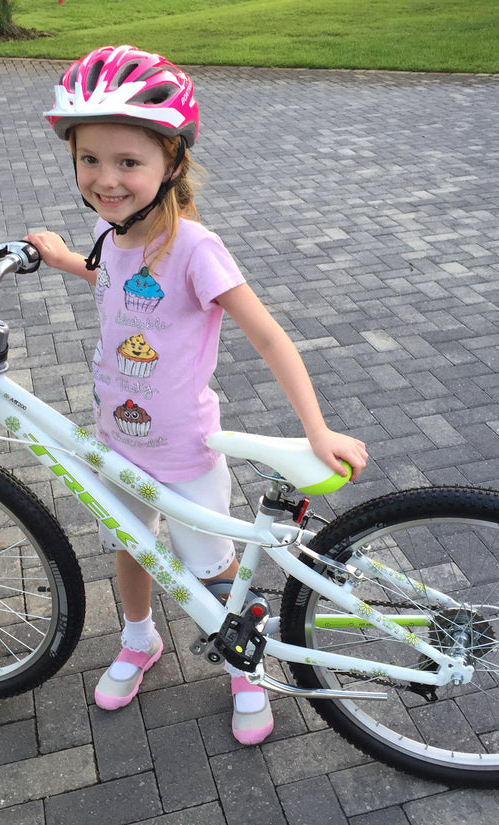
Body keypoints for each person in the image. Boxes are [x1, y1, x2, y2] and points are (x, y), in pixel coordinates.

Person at [26, 44, 367, 746]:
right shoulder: (108, 230)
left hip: (182, 445)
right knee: (130, 542)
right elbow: (118, 286)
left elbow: (271, 337)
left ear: (171, 163)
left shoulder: (196, 249)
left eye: (128, 162)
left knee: (211, 566)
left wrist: (317, 429)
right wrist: (68, 260)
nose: (106, 179)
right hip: (113, 433)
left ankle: (246, 666)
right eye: (90, 159)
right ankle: (139, 637)